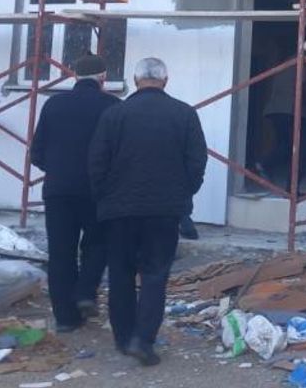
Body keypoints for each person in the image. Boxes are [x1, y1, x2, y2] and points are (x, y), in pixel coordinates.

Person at [89, 57, 208, 366]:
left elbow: (97, 162)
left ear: (135, 80)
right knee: (155, 275)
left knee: (120, 274)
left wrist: (105, 197)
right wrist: (183, 194)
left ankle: (123, 338)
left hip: (119, 210)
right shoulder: (184, 114)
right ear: (165, 80)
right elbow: (197, 162)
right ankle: (143, 340)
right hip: (164, 210)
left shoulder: (114, 114)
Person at [29, 53, 119, 332]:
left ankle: (65, 319)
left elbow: (37, 152)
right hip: (97, 191)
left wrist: (58, 170)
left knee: (60, 252)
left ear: (74, 76)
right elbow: (120, 153)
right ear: (103, 78)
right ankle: (85, 292)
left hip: (58, 191)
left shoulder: (53, 105)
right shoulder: (113, 107)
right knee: (98, 243)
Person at [261, 39, 306, 191]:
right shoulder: (305, 64)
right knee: (302, 150)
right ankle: (289, 186)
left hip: (276, 110)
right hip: (292, 111)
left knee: (287, 145)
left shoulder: (289, 61)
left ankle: (268, 166)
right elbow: (304, 88)